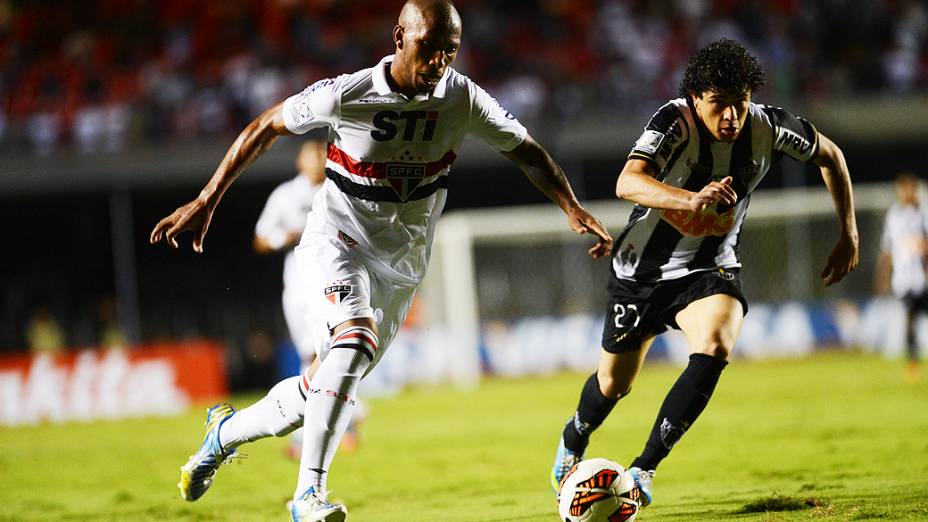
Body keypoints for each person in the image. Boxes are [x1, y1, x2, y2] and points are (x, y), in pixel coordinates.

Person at [150, 1, 612, 520]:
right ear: (399, 36)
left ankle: (223, 435)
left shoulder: (463, 98)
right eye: (430, 48)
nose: (440, 62)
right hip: (337, 242)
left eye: (451, 52)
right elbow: (267, 125)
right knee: (352, 341)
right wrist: (208, 199)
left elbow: (526, 149)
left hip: (402, 264)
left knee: (319, 388)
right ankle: (307, 497)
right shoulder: (348, 93)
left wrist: (570, 205)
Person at [549, 38, 859, 512]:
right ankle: (575, 437)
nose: (732, 116)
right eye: (719, 105)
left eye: (741, 103)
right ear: (697, 99)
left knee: (715, 341)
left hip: (709, 268)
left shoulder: (770, 128)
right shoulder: (673, 121)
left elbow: (831, 157)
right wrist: (687, 198)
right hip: (641, 270)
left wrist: (848, 233)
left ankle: (643, 470)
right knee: (614, 383)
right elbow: (627, 181)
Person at [254, 137, 365, 458]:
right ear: (299, 162)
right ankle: (342, 420)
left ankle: (321, 431)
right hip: (299, 287)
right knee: (311, 354)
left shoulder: (339, 190)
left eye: (321, 154)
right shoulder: (286, 195)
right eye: (311, 154)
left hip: (335, 281)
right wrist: (283, 237)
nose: (317, 159)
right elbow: (260, 239)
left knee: (332, 350)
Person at [874, 173, 928, 382]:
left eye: (909, 188)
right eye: (902, 189)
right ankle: (913, 363)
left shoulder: (923, 214)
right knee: (909, 320)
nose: (905, 193)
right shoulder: (893, 216)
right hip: (905, 280)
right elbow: (887, 250)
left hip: (923, 278)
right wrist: (882, 277)